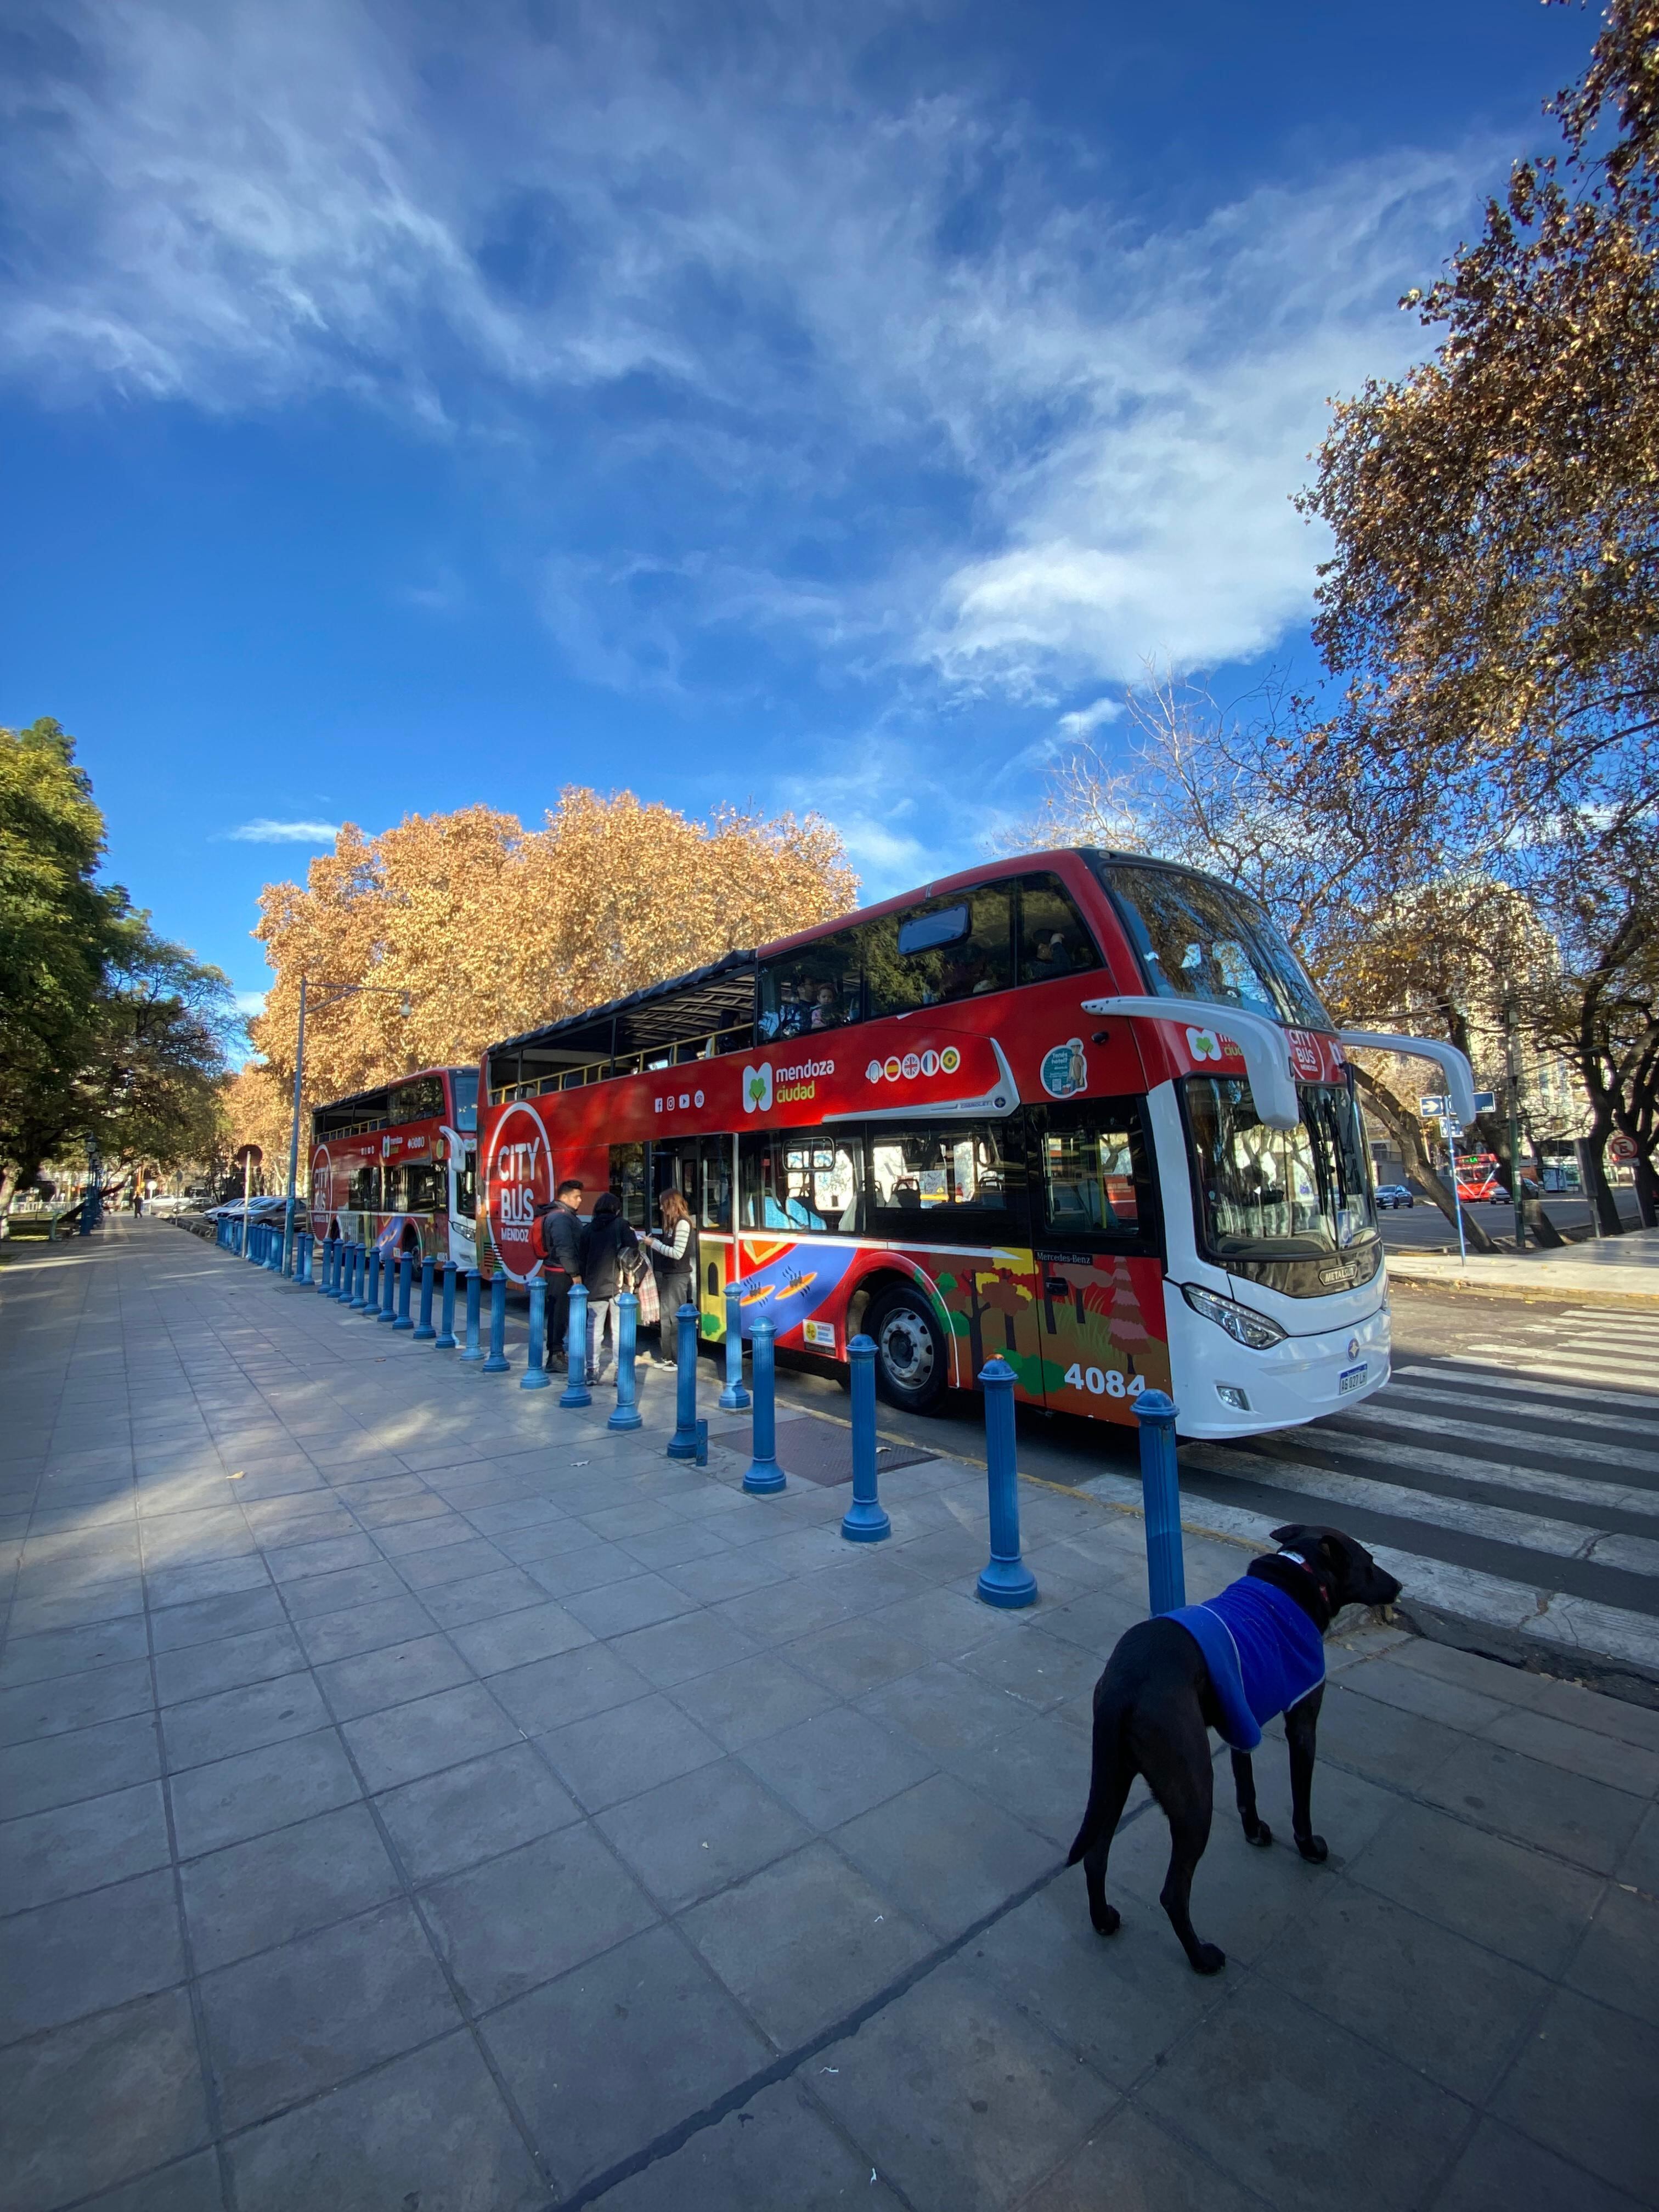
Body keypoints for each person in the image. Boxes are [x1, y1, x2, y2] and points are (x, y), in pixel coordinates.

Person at [579, 1191, 637, 1378]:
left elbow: (582, 1258)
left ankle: (592, 1370)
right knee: (620, 1331)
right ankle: (621, 1371)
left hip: (594, 1286)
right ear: (617, 1209)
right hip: (619, 1285)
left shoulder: (588, 1229)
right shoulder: (622, 1226)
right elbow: (633, 1251)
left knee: (594, 1330)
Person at [639, 1187, 697, 1364]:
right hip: (670, 1275)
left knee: (674, 1318)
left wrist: (653, 1244)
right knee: (666, 1317)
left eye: (664, 1205)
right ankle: (668, 1357)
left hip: (678, 1276)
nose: (662, 1209)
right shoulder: (674, 1224)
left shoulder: (683, 1224)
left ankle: (679, 1359)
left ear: (672, 1204)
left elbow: (677, 1253)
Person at [533, 1178, 584, 1367]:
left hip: (559, 1271)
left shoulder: (563, 1215)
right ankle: (556, 1356)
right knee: (559, 1314)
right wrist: (575, 1274)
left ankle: (558, 1353)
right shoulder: (561, 1218)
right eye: (576, 1197)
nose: (580, 1200)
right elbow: (564, 1248)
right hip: (561, 1273)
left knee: (559, 1313)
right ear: (564, 1197)